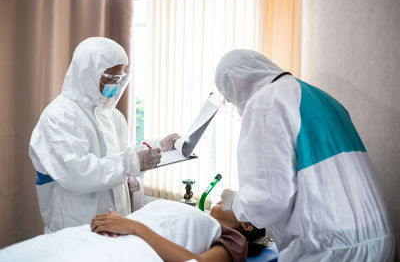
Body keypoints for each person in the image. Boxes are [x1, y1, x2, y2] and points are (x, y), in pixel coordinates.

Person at [215, 50, 396, 261]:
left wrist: (237, 204)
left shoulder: (266, 102)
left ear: (234, 84)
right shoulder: (320, 97)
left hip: (331, 249)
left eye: (229, 97)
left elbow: (270, 198)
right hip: (378, 239)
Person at [29, 37, 180, 233]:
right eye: (110, 78)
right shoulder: (59, 116)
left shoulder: (109, 114)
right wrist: (134, 162)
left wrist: (156, 147)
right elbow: (79, 174)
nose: (115, 85)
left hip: (115, 219)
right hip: (76, 222)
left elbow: (119, 155)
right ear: (88, 73)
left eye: (119, 78)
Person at [90, 200, 267, 262]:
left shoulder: (234, 239)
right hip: (103, 237)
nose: (223, 198)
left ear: (247, 225)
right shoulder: (196, 216)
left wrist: (133, 226)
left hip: (130, 249)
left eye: (234, 200)